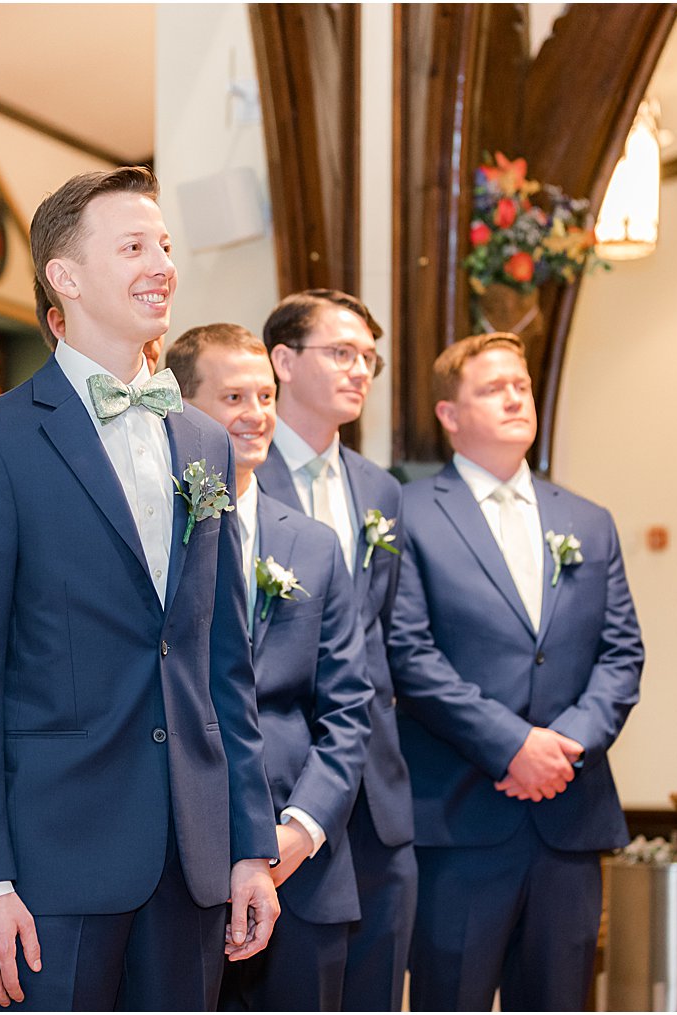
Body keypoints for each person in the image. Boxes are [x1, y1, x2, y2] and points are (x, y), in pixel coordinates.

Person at [0, 167, 280, 1011]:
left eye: (164, 245)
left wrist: (248, 845)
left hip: (189, 856)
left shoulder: (201, 441)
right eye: (134, 246)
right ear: (66, 276)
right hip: (50, 864)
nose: (162, 262)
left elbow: (220, 664)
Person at [387, 332, 644, 1011]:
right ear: (449, 414)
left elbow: (622, 654)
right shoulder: (406, 514)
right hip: (460, 817)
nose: (514, 397)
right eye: (492, 387)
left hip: (569, 815)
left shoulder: (588, 521)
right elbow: (408, 654)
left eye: (521, 385)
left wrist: (564, 747)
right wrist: (512, 745)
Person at [168, 323, 373, 1011]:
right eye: (233, 395)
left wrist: (301, 829)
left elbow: (349, 707)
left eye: (265, 394)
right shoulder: (159, 533)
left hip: (304, 864)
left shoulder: (313, 544)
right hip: (181, 858)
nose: (256, 414)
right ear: (182, 405)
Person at [253, 289, 417, 1008]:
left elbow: (383, 634)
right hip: (281, 788)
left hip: (375, 790)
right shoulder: (239, 473)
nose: (360, 370)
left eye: (370, 359)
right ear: (283, 360)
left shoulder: (379, 488)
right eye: (342, 352)